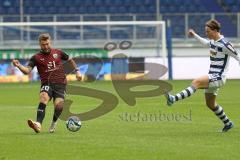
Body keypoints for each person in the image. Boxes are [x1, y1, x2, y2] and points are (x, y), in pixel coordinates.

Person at [165, 19, 240, 132]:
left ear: (215, 31)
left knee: (196, 82)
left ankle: (173, 99)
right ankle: (228, 123)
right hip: (213, 76)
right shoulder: (213, 42)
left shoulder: (225, 44)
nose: (206, 33)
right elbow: (205, 42)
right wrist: (194, 34)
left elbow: (237, 56)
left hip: (219, 77)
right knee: (210, 104)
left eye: (208, 31)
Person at [12, 33, 82, 133]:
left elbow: (70, 60)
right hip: (47, 84)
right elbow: (27, 71)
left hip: (60, 84)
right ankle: (38, 124)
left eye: (47, 44)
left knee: (59, 106)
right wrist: (18, 65)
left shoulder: (58, 52)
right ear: (40, 44)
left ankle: (54, 122)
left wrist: (77, 71)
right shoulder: (36, 57)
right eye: (43, 44)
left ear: (50, 42)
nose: (46, 46)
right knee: (43, 97)